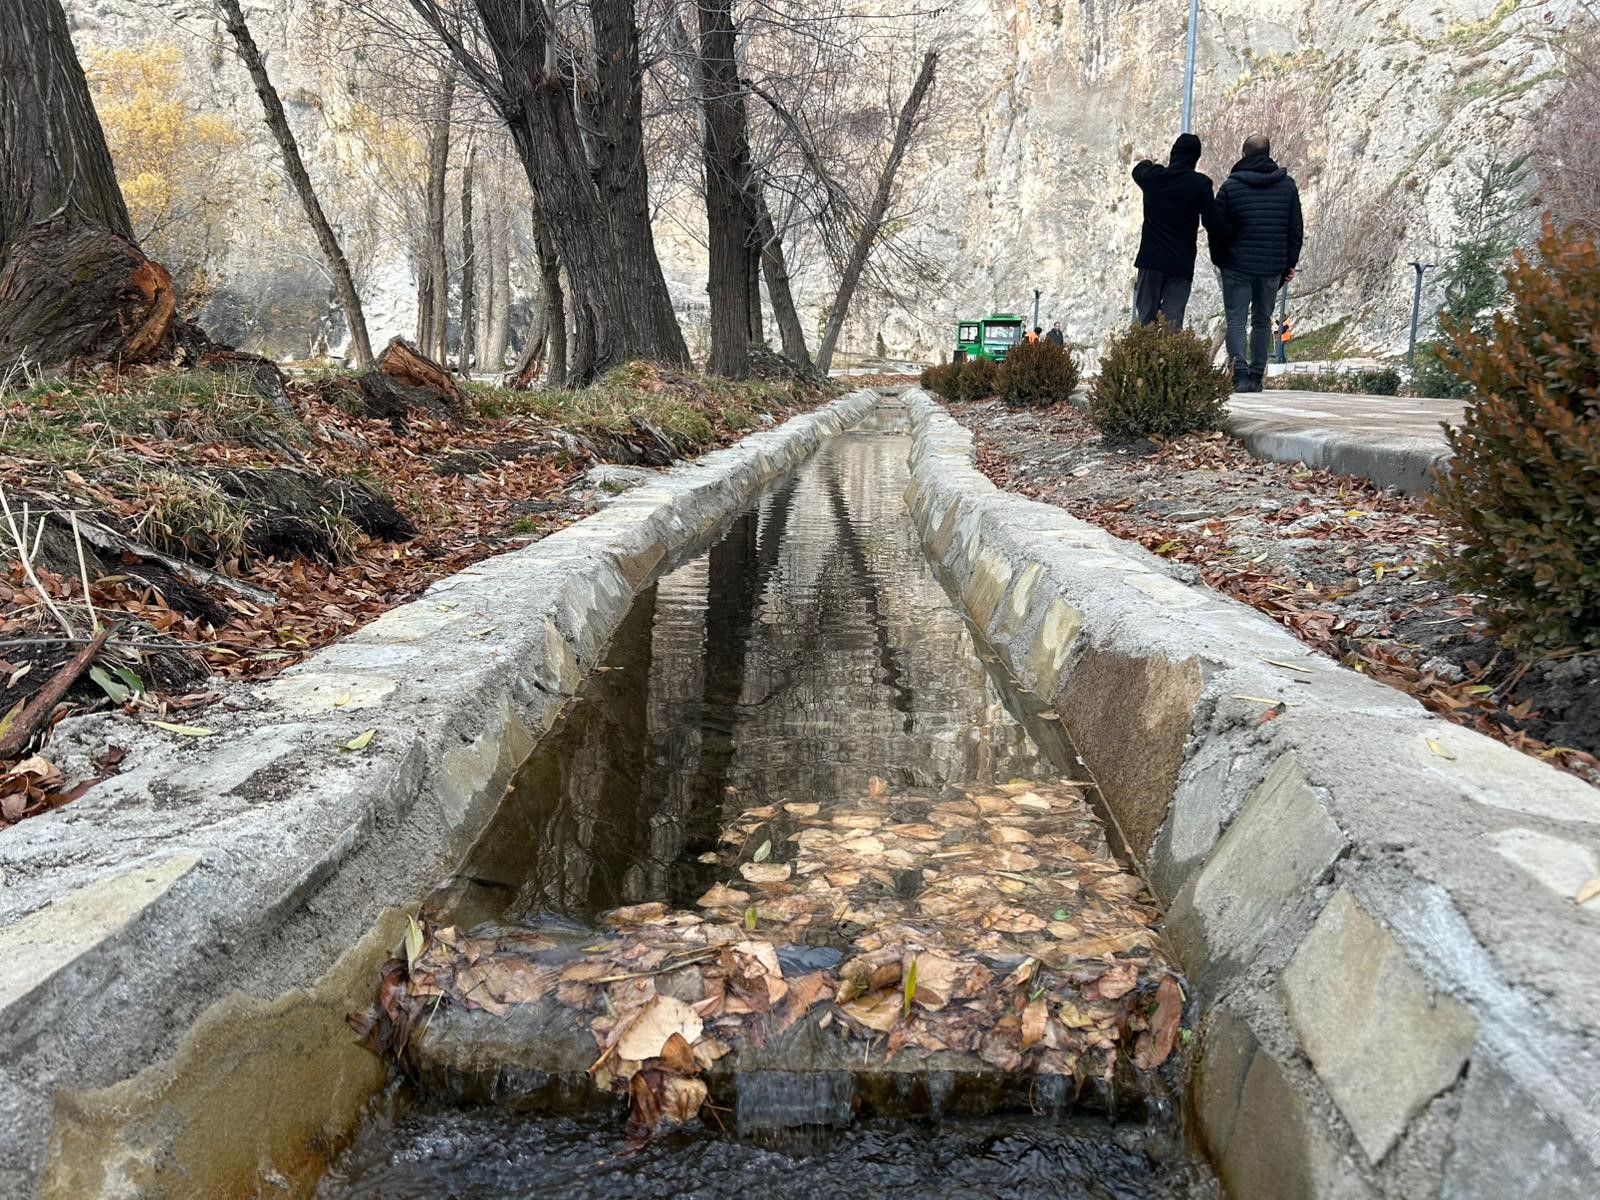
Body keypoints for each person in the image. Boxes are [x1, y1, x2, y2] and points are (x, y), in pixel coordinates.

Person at [1214, 133, 1304, 392]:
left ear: (1244, 155)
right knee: (1262, 320)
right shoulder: (1287, 186)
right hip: (1271, 267)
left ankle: (1239, 374)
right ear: (1267, 154)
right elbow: (1295, 229)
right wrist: (1289, 264)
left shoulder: (1231, 187)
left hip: (1237, 267)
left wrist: (1222, 260)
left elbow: (1217, 228)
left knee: (1236, 321)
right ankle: (1256, 376)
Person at [1131, 132, 1229, 329]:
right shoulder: (1200, 184)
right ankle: (1168, 359)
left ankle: (1141, 358)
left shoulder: (1154, 178)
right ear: (1195, 158)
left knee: (1144, 321)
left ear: (1173, 153)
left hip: (1151, 262)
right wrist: (1232, 231)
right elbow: (1212, 222)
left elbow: (1138, 170)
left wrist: (1151, 164)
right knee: (1172, 324)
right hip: (1180, 264)